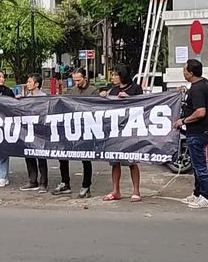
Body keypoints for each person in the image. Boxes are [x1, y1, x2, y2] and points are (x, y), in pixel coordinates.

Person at [173, 59, 208, 209]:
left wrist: (183, 121)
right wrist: (184, 91)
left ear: (190, 73)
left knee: (200, 166)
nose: (183, 72)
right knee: (196, 166)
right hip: (200, 130)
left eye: (184, 70)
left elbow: (200, 112)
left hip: (198, 131)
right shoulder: (202, 84)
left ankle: (207, 197)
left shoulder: (197, 89)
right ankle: (197, 194)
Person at [52, 67, 98, 199]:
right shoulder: (72, 91)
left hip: (87, 128)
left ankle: (86, 186)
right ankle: (65, 182)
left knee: (86, 158)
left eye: (78, 80)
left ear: (85, 78)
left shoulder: (93, 91)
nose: (76, 83)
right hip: (72, 128)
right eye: (74, 80)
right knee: (63, 154)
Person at [100, 65, 144, 202]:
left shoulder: (135, 88)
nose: (112, 78)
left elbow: (143, 105)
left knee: (131, 161)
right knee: (114, 162)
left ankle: (136, 190)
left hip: (130, 129)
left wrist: (129, 98)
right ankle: (115, 190)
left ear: (122, 75)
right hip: (115, 130)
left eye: (115, 75)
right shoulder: (113, 90)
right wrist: (104, 97)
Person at [20, 74, 49, 192]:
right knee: (29, 155)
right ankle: (32, 181)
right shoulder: (27, 97)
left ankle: (43, 183)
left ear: (36, 84)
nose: (27, 84)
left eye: (30, 82)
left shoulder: (44, 98)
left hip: (40, 131)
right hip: (29, 130)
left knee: (41, 157)